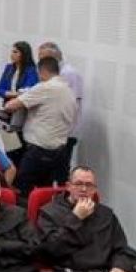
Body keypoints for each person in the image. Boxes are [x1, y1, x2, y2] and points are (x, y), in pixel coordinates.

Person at [3, 56, 77, 198]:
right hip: (60, 152)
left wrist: (21, 95)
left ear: (42, 72)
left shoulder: (45, 87)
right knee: (47, 194)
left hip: (39, 152)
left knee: (22, 191)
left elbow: (10, 106)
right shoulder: (68, 90)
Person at [37, 42, 84, 184]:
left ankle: (60, 203)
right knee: (48, 171)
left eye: (42, 57)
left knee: (61, 173)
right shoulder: (55, 73)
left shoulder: (69, 73)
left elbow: (72, 104)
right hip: (53, 132)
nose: (39, 61)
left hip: (65, 133)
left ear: (54, 57)